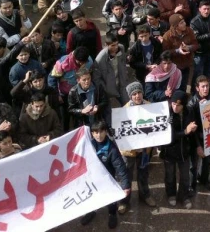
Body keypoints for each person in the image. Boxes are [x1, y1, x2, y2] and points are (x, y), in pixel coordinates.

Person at [81, 121, 131, 229]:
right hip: (93, 178)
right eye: (95, 132)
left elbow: (120, 168)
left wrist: (126, 186)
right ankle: (92, 211)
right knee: (92, 196)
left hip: (108, 178)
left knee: (111, 198)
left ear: (106, 132)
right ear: (92, 133)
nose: (98, 135)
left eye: (101, 132)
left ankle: (112, 214)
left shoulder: (112, 149)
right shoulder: (89, 145)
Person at [118, 82, 157, 212]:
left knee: (143, 174)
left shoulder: (151, 107)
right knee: (126, 176)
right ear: (130, 96)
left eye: (139, 92)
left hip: (144, 150)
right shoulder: (123, 111)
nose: (137, 96)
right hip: (128, 151)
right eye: (134, 94)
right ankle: (124, 201)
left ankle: (145, 195)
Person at [163, 90, 196, 209]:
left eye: (179, 105)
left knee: (185, 177)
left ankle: (184, 196)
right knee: (170, 176)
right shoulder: (167, 115)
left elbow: (192, 129)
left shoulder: (189, 111)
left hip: (184, 151)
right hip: (169, 152)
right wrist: (185, 132)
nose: (175, 107)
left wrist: (193, 131)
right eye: (173, 104)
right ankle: (171, 194)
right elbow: (170, 136)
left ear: (184, 105)